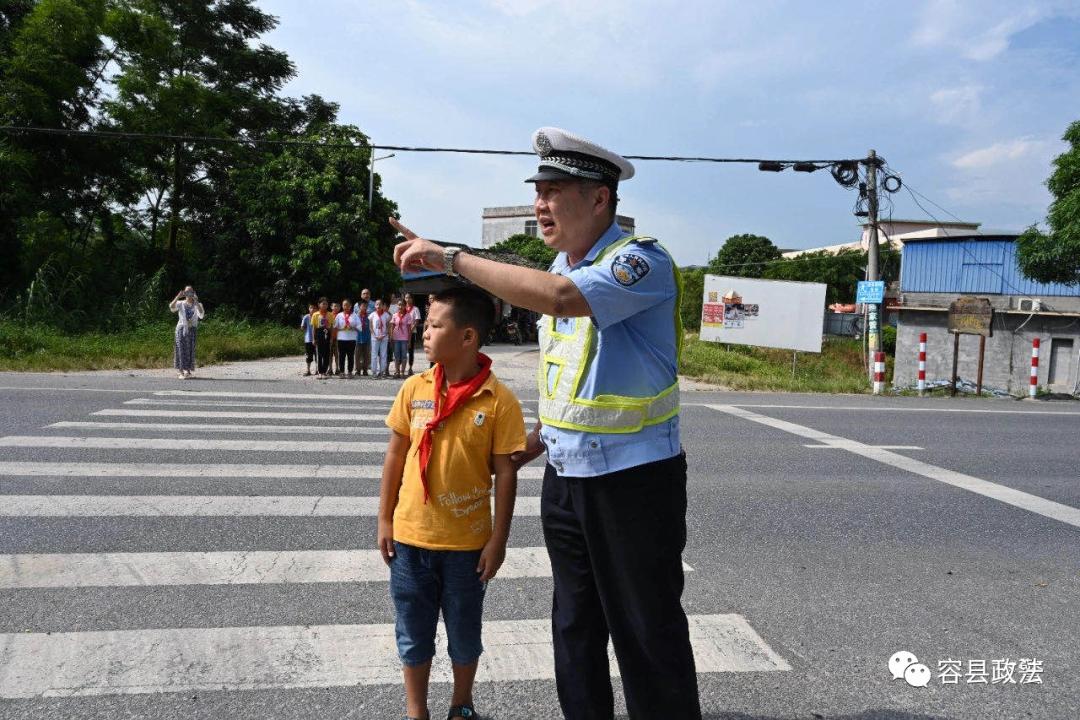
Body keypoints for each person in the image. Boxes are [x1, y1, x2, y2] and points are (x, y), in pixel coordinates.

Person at [390, 126, 700, 719]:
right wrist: (520, 450)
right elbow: (572, 393)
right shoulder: (559, 266)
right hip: (565, 481)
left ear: (600, 198)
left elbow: (560, 297)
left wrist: (450, 257)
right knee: (574, 628)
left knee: (645, 629)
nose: (540, 203)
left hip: (635, 484)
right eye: (538, 190)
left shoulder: (639, 262)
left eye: (555, 189)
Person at [377, 285, 526, 720]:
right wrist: (384, 519)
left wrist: (498, 541)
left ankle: (461, 704)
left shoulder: (499, 401)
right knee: (413, 631)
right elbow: (394, 454)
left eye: (434, 326)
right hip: (410, 540)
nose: (424, 333)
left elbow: (507, 474)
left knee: (464, 634)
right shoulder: (414, 388)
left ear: (468, 337)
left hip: (466, 547)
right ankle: (416, 710)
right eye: (424, 325)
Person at [169, 286, 205, 380]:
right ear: (184, 293)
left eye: (191, 291)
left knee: (190, 350)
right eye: (187, 292)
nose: (189, 293)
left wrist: (196, 300)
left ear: (193, 292)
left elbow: (201, 314)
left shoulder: (197, 304)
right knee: (180, 349)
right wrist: (178, 296)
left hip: (192, 330)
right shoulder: (180, 303)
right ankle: (180, 371)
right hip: (181, 329)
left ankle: (187, 370)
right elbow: (171, 307)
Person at [391, 300, 415, 379]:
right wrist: (391, 337)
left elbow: (409, 329)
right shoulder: (394, 315)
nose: (400, 307)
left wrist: (409, 340)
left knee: (404, 356)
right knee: (396, 356)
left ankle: (402, 372)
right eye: (399, 305)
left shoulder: (408, 315)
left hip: (404, 339)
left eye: (402, 305)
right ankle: (397, 372)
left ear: (405, 306)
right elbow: (392, 327)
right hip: (396, 338)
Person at [336, 299, 359, 377]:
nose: (346, 306)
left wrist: (352, 327)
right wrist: (342, 328)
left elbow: (360, 327)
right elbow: (335, 326)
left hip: (351, 339)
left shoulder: (355, 315)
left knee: (350, 356)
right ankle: (342, 372)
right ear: (342, 306)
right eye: (344, 305)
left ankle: (349, 372)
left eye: (347, 305)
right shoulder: (339, 315)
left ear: (350, 306)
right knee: (341, 356)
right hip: (341, 338)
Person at [311, 297, 333, 377]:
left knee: (327, 353)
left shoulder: (330, 314)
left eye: (326, 304)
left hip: (327, 333)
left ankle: (324, 371)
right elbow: (314, 328)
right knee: (319, 354)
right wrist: (313, 338)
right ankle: (320, 371)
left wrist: (331, 338)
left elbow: (331, 327)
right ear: (319, 304)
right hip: (319, 334)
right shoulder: (315, 314)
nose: (325, 305)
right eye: (323, 303)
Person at [370, 299, 390, 378]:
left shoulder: (386, 315)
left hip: (384, 338)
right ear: (375, 306)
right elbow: (371, 327)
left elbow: (388, 326)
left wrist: (384, 335)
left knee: (383, 354)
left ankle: (382, 372)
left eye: (380, 304)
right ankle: (374, 372)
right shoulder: (372, 315)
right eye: (377, 304)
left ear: (383, 306)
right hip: (375, 338)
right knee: (374, 355)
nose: (378, 306)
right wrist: (375, 335)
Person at [356, 289, 373, 377]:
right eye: (362, 306)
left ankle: (365, 369)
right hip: (358, 338)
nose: (364, 308)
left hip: (367, 337)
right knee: (357, 354)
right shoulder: (356, 316)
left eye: (365, 306)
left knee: (366, 354)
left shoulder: (369, 316)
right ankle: (358, 370)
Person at [405, 293, 422, 375]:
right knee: (402, 350)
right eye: (406, 297)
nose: (407, 299)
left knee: (410, 350)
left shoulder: (415, 309)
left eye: (409, 298)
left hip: (412, 332)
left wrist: (411, 329)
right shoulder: (403, 308)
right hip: (402, 333)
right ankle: (401, 368)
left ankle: (410, 367)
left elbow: (417, 320)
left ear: (412, 299)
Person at [301, 302, 316, 376]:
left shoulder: (318, 316)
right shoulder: (306, 317)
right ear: (309, 309)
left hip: (317, 339)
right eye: (311, 308)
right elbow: (302, 327)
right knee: (308, 356)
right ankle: (308, 370)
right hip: (308, 339)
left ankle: (318, 370)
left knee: (317, 356)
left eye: (314, 308)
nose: (312, 309)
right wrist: (303, 326)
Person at [329, 301, 341, 375]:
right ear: (331, 307)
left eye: (337, 306)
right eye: (334, 306)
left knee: (337, 354)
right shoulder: (328, 315)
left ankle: (337, 369)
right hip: (329, 338)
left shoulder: (341, 315)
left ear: (340, 308)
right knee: (329, 354)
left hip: (338, 338)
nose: (336, 307)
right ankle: (330, 368)